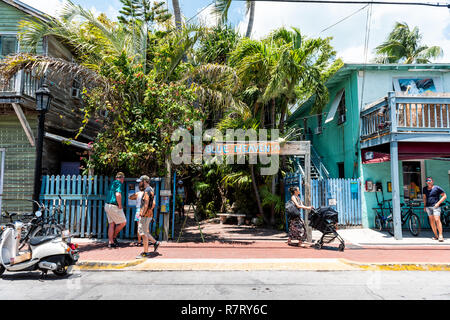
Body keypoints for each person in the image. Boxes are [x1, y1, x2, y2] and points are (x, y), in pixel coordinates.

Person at [136, 175, 160, 258]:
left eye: (141, 181)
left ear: (144, 181)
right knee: (145, 232)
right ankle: (155, 243)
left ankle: (145, 252)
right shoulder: (151, 189)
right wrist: (150, 211)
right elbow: (153, 203)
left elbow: (146, 204)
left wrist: (142, 213)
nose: (140, 183)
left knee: (142, 233)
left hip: (145, 215)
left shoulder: (147, 190)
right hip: (148, 214)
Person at [104, 172, 127, 248]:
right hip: (114, 206)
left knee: (111, 224)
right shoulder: (118, 183)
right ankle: (114, 237)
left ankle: (111, 242)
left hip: (107, 205)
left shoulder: (112, 183)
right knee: (123, 222)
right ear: (122, 178)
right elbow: (118, 194)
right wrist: (120, 205)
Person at [422, 177, 447, 242]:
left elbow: (444, 196)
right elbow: (424, 198)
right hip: (428, 207)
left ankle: (441, 235)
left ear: (432, 181)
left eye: (430, 180)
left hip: (435, 207)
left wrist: (438, 203)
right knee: (432, 221)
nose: (428, 182)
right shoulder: (424, 189)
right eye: (427, 181)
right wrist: (424, 206)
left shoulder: (437, 188)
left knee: (437, 219)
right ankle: (436, 236)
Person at [128, 181, 145, 246]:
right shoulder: (146, 193)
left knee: (139, 227)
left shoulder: (137, 193)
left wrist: (136, 198)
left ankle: (139, 241)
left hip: (138, 211)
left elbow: (130, 197)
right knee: (145, 227)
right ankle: (145, 241)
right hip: (144, 210)